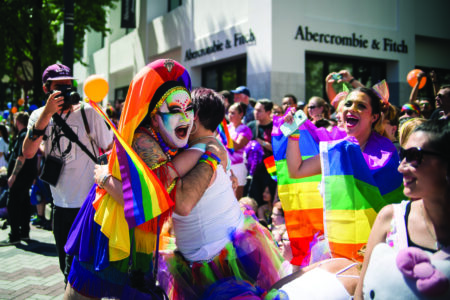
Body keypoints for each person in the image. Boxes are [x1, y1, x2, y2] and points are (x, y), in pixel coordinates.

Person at [63, 60, 224, 299]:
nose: (185, 117)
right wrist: (209, 152)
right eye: (175, 110)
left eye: (188, 109)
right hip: (112, 227)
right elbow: (153, 201)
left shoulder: (169, 138)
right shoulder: (144, 141)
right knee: (82, 294)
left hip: (137, 231)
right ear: (155, 117)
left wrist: (208, 149)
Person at [157, 88, 286, 299]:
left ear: (194, 117)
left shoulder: (197, 152)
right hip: (225, 246)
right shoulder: (215, 146)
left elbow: (158, 179)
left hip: (212, 259)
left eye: (183, 111)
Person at [283, 87, 404, 263]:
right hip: (339, 247)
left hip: (378, 248)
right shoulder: (337, 150)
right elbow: (297, 170)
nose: (352, 108)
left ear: (374, 117)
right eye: (348, 103)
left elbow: (394, 210)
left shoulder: (387, 155)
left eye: (361, 106)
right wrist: (293, 135)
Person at [22, 63, 113, 281]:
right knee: (66, 269)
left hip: (90, 205)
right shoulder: (38, 116)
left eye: (68, 85)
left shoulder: (89, 112)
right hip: (60, 206)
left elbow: (110, 146)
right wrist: (48, 113)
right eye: (59, 87)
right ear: (46, 89)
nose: (65, 91)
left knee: (87, 271)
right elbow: (27, 152)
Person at [354, 118, 450, 300]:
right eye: (402, 155)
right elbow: (361, 296)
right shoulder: (390, 219)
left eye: (414, 157)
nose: (401, 168)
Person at [0, 112, 38, 246]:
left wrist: (13, 176)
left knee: (13, 204)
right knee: (24, 203)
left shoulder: (23, 135)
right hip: (27, 176)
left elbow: (21, 157)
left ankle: (15, 234)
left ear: (17, 122)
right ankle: (24, 232)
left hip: (21, 177)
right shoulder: (29, 135)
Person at [247, 99, 277, 206]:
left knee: (270, 196)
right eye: (255, 110)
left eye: (259, 110)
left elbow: (278, 149)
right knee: (254, 196)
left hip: (271, 167)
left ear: (268, 112)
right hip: (255, 167)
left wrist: (262, 143)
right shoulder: (251, 126)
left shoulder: (275, 127)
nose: (256, 113)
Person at [227, 102, 252, 199]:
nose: (229, 115)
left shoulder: (245, 129)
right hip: (225, 165)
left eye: (233, 113)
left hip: (238, 166)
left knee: (237, 197)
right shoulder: (227, 128)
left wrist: (224, 133)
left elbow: (236, 146)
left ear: (241, 114)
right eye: (228, 112)